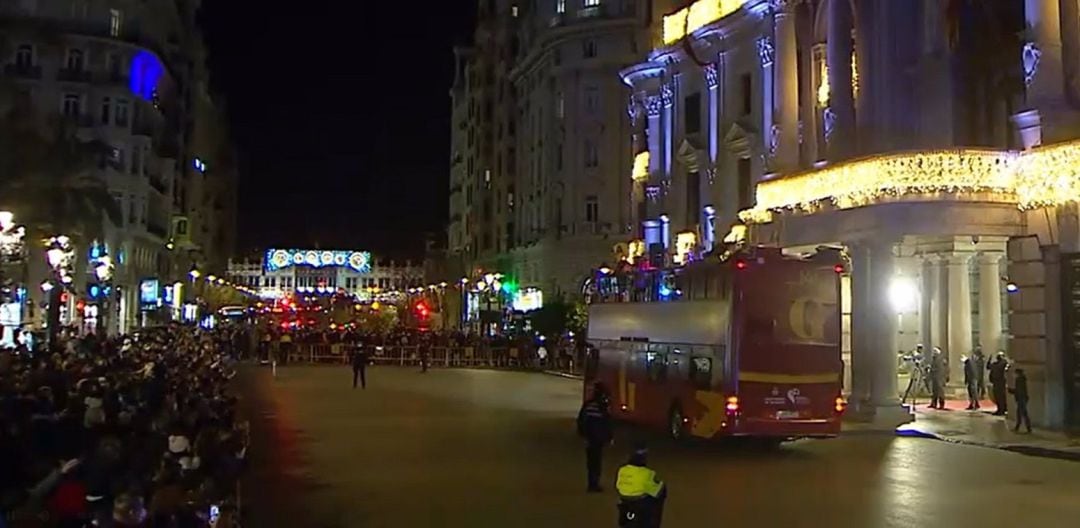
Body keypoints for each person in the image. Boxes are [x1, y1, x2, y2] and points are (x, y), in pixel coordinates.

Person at [616, 444, 666, 528]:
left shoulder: (622, 469)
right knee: (660, 494)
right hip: (640, 504)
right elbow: (656, 491)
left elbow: (618, 486)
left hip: (625, 500)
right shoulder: (647, 473)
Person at [577, 382, 613, 493]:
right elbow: (607, 422)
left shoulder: (588, 405)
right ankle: (594, 484)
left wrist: (583, 434)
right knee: (596, 462)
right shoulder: (602, 407)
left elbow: (581, 421)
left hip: (590, 438)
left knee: (591, 462)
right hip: (598, 439)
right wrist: (609, 437)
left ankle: (591, 483)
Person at [1010, 368, 1032, 433]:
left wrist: (1012, 391)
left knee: (1021, 413)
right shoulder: (1022, 379)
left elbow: (1019, 390)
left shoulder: (1019, 380)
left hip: (1021, 399)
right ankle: (1025, 427)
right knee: (1022, 413)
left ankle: (1024, 427)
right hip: (1022, 398)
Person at [988, 351, 1009, 416]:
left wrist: (989, 360)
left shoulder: (1003, 363)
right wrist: (989, 360)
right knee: (997, 396)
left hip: (1000, 382)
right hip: (996, 382)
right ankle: (1000, 409)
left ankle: (1002, 410)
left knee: (1001, 397)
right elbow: (988, 367)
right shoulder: (996, 364)